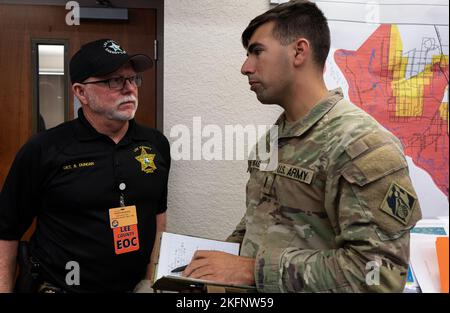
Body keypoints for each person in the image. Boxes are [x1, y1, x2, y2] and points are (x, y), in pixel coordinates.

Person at [182, 0, 422, 292]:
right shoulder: (274, 138)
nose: (246, 68)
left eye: (257, 52)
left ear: (299, 51)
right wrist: (215, 260)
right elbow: (262, 216)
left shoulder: (364, 146)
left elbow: (377, 276)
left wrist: (252, 271)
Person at [0, 39, 170, 293]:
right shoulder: (45, 149)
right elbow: (7, 230)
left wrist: (150, 280)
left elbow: (159, 217)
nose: (129, 89)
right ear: (81, 92)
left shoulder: (155, 143)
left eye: (132, 79)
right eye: (114, 80)